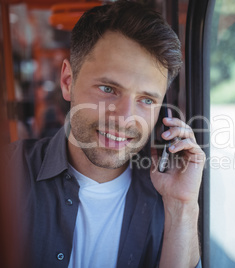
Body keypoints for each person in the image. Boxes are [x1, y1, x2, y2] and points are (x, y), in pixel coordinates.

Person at [9, 1, 205, 267]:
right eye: (108, 89)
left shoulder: (169, 201)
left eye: (146, 100)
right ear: (68, 82)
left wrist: (182, 205)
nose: (124, 119)